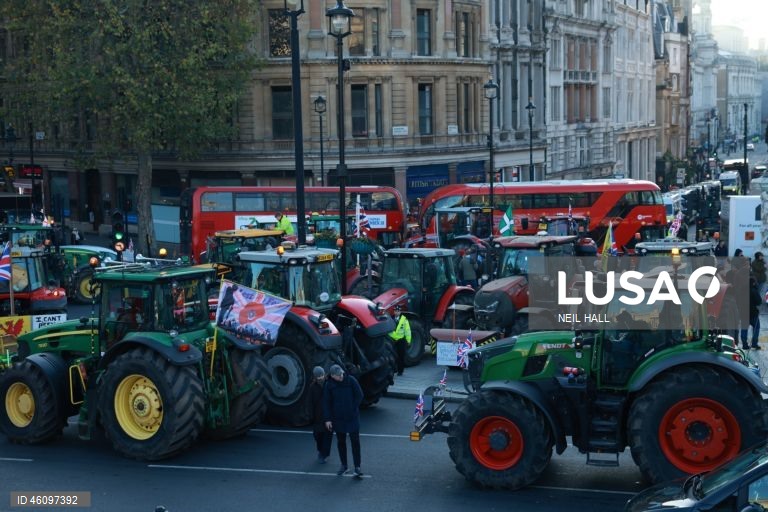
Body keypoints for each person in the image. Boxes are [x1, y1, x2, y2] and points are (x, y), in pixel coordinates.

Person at [323, 364, 364, 478]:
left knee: (355, 442)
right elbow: (326, 403)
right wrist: (327, 419)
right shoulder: (329, 385)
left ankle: (357, 466)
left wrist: (353, 408)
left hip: (352, 417)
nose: (341, 376)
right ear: (332, 376)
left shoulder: (350, 380)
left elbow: (359, 395)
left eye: (341, 374)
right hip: (338, 419)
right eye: (338, 375)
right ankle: (344, 465)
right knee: (341, 443)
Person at [310, 366, 333, 464]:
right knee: (317, 436)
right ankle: (320, 450)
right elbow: (309, 403)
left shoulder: (329, 385)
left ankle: (324, 454)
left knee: (327, 437)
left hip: (328, 416)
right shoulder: (312, 388)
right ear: (315, 377)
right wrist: (311, 416)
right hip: (317, 416)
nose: (321, 378)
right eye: (318, 376)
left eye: (322, 375)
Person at [388, 306, 411, 376]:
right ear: (394, 312)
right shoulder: (390, 319)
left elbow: (407, 331)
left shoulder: (404, 320)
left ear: (400, 312)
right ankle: (393, 369)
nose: (396, 312)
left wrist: (408, 340)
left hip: (401, 340)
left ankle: (400, 371)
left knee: (401, 356)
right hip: (392, 340)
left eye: (398, 311)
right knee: (392, 356)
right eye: (395, 311)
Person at [741, 277, 762, 350]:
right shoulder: (754, 290)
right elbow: (759, 302)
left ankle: (744, 345)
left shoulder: (742, 290)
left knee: (744, 329)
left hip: (744, 313)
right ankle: (754, 344)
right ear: (753, 283)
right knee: (756, 328)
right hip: (753, 313)